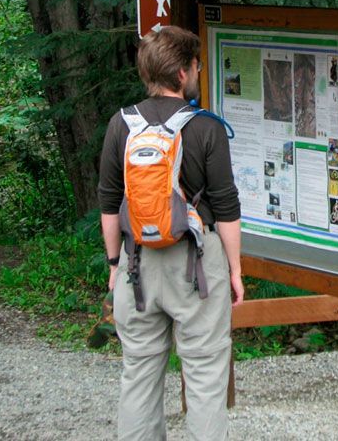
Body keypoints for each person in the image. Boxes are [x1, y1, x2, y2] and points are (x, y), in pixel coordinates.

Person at [98, 26, 243, 440]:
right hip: (196, 266)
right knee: (204, 373)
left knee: (139, 374)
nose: (197, 71)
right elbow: (226, 208)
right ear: (181, 73)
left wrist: (114, 263)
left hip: (137, 264)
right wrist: (234, 269)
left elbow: (109, 204)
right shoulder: (206, 128)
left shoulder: (120, 124)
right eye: (195, 65)